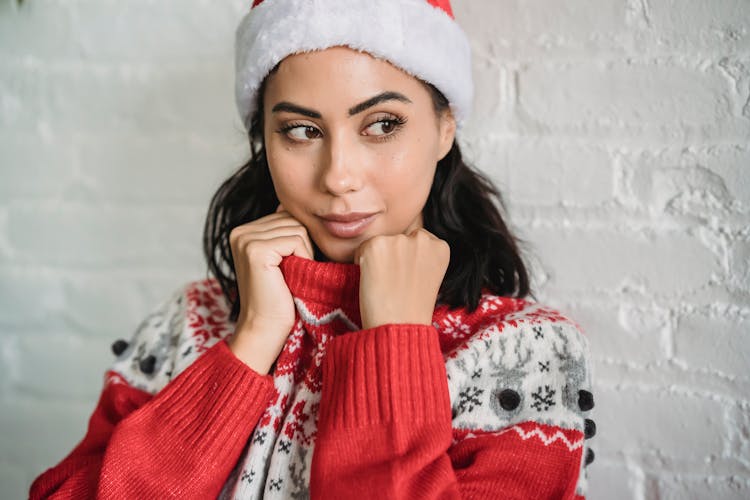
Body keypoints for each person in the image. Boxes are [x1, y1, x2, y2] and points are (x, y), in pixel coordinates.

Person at [29, 0, 596, 498]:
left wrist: (394, 346)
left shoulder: (521, 356)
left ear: (445, 126)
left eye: (381, 124)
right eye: (302, 130)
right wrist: (248, 345)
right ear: (264, 139)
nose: (339, 177)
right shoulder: (191, 322)